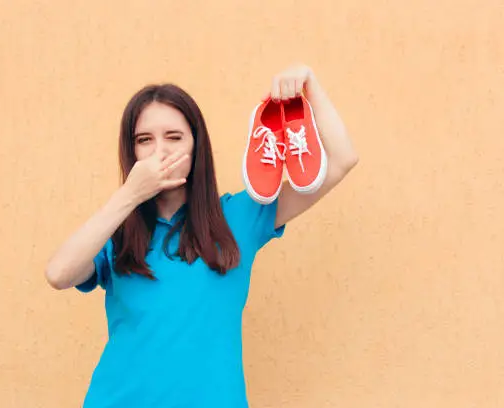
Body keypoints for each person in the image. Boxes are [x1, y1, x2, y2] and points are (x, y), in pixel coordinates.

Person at [45, 63, 358, 408]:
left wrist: (310, 90)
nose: (159, 151)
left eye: (174, 137)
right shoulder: (116, 232)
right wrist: (129, 195)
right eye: (144, 140)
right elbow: (59, 274)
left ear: (197, 147)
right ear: (131, 152)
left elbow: (342, 159)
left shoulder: (239, 217)